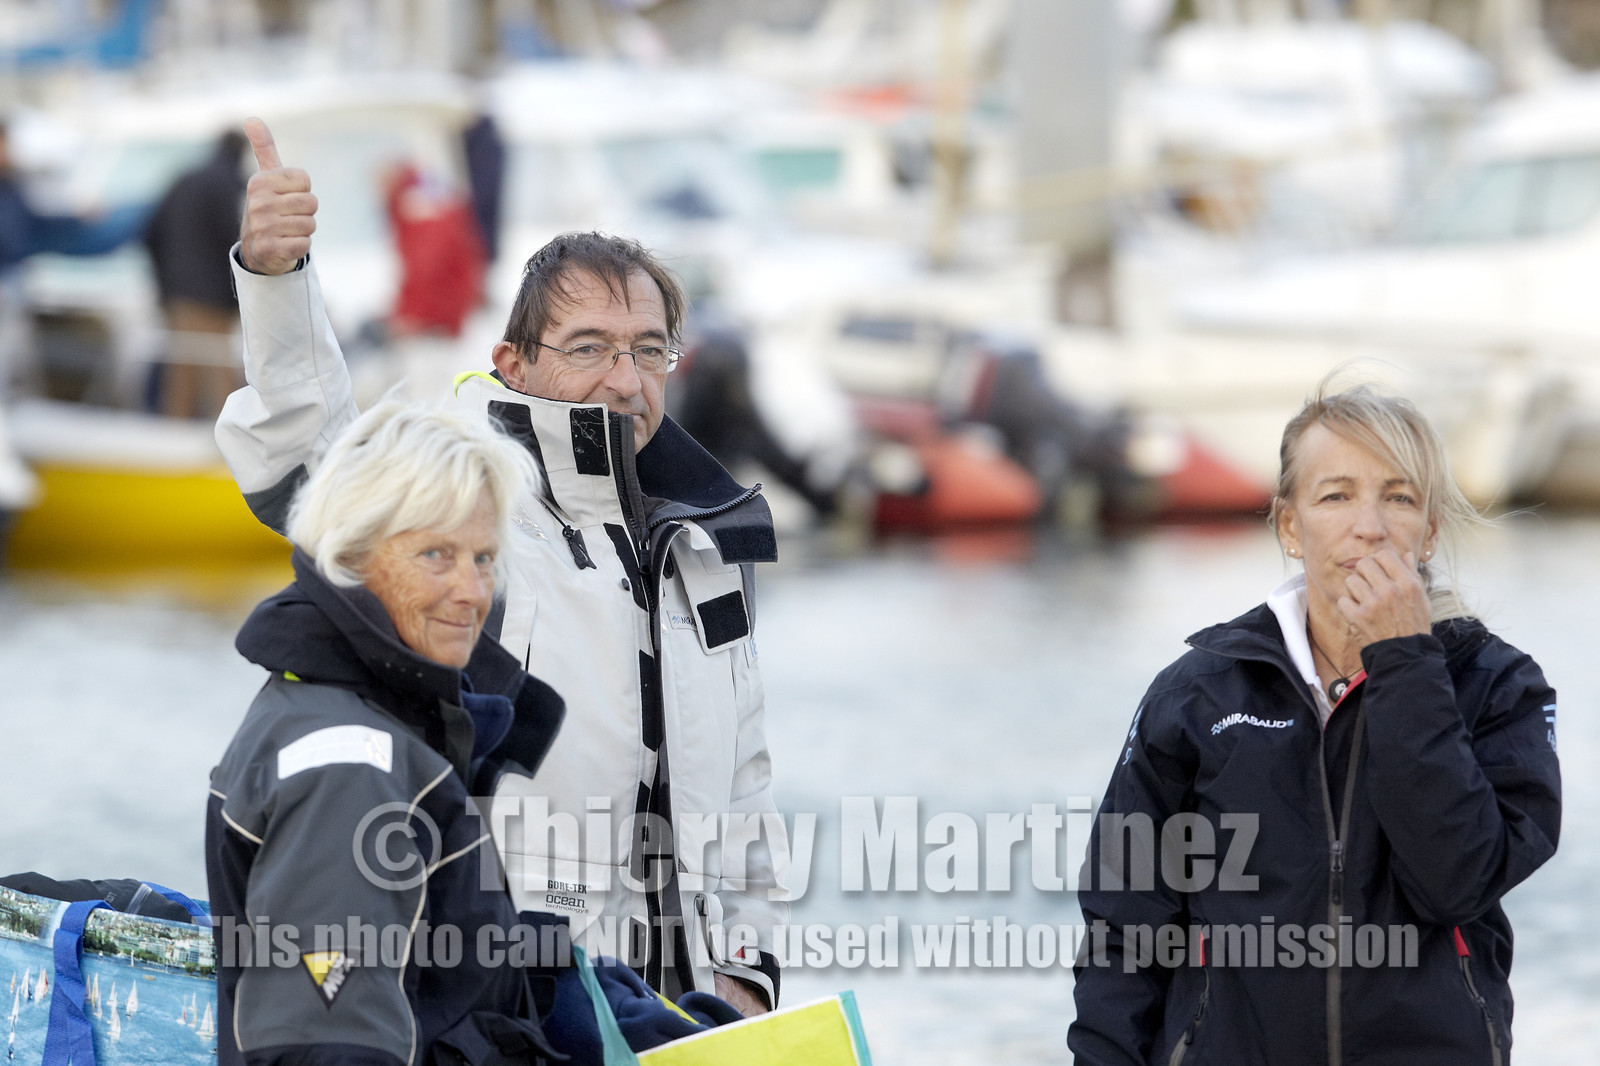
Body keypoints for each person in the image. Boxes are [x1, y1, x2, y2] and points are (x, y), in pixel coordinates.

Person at [215, 118, 788, 1015]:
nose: (625, 379)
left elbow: (750, 793)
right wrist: (279, 280)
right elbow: (315, 460)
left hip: (689, 1020)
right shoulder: (474, 513)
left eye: (648, 348)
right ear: (512, 364)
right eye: (590, 346)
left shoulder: (708, 549)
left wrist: (746, 979)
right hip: (516, 1008)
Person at [1069, 382, 1560, 1065]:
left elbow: (1457, 881)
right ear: (1290, 527)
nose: (1371, 526)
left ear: (1430, 530)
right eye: (1336, 496)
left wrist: (1406, 663)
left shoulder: (1498, 687)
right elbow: (1125, 925)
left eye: (1399, 496)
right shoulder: (1197, 694)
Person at [205, 400, 566, 1065]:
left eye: (483, 558)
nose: (472, 591)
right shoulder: (349, 765)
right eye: (436, 554)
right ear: (352, 554)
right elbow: (325, 1046)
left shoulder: (352, 708)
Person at [142, 129, 249, 419]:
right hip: (214, 298)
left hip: (177, 294)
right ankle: (227, 449)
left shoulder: (185, 178)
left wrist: (164, 285)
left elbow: (150, 234)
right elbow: (236, 242)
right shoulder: (232, 185)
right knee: (219, 374)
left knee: (181, 374)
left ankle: (172, 444)